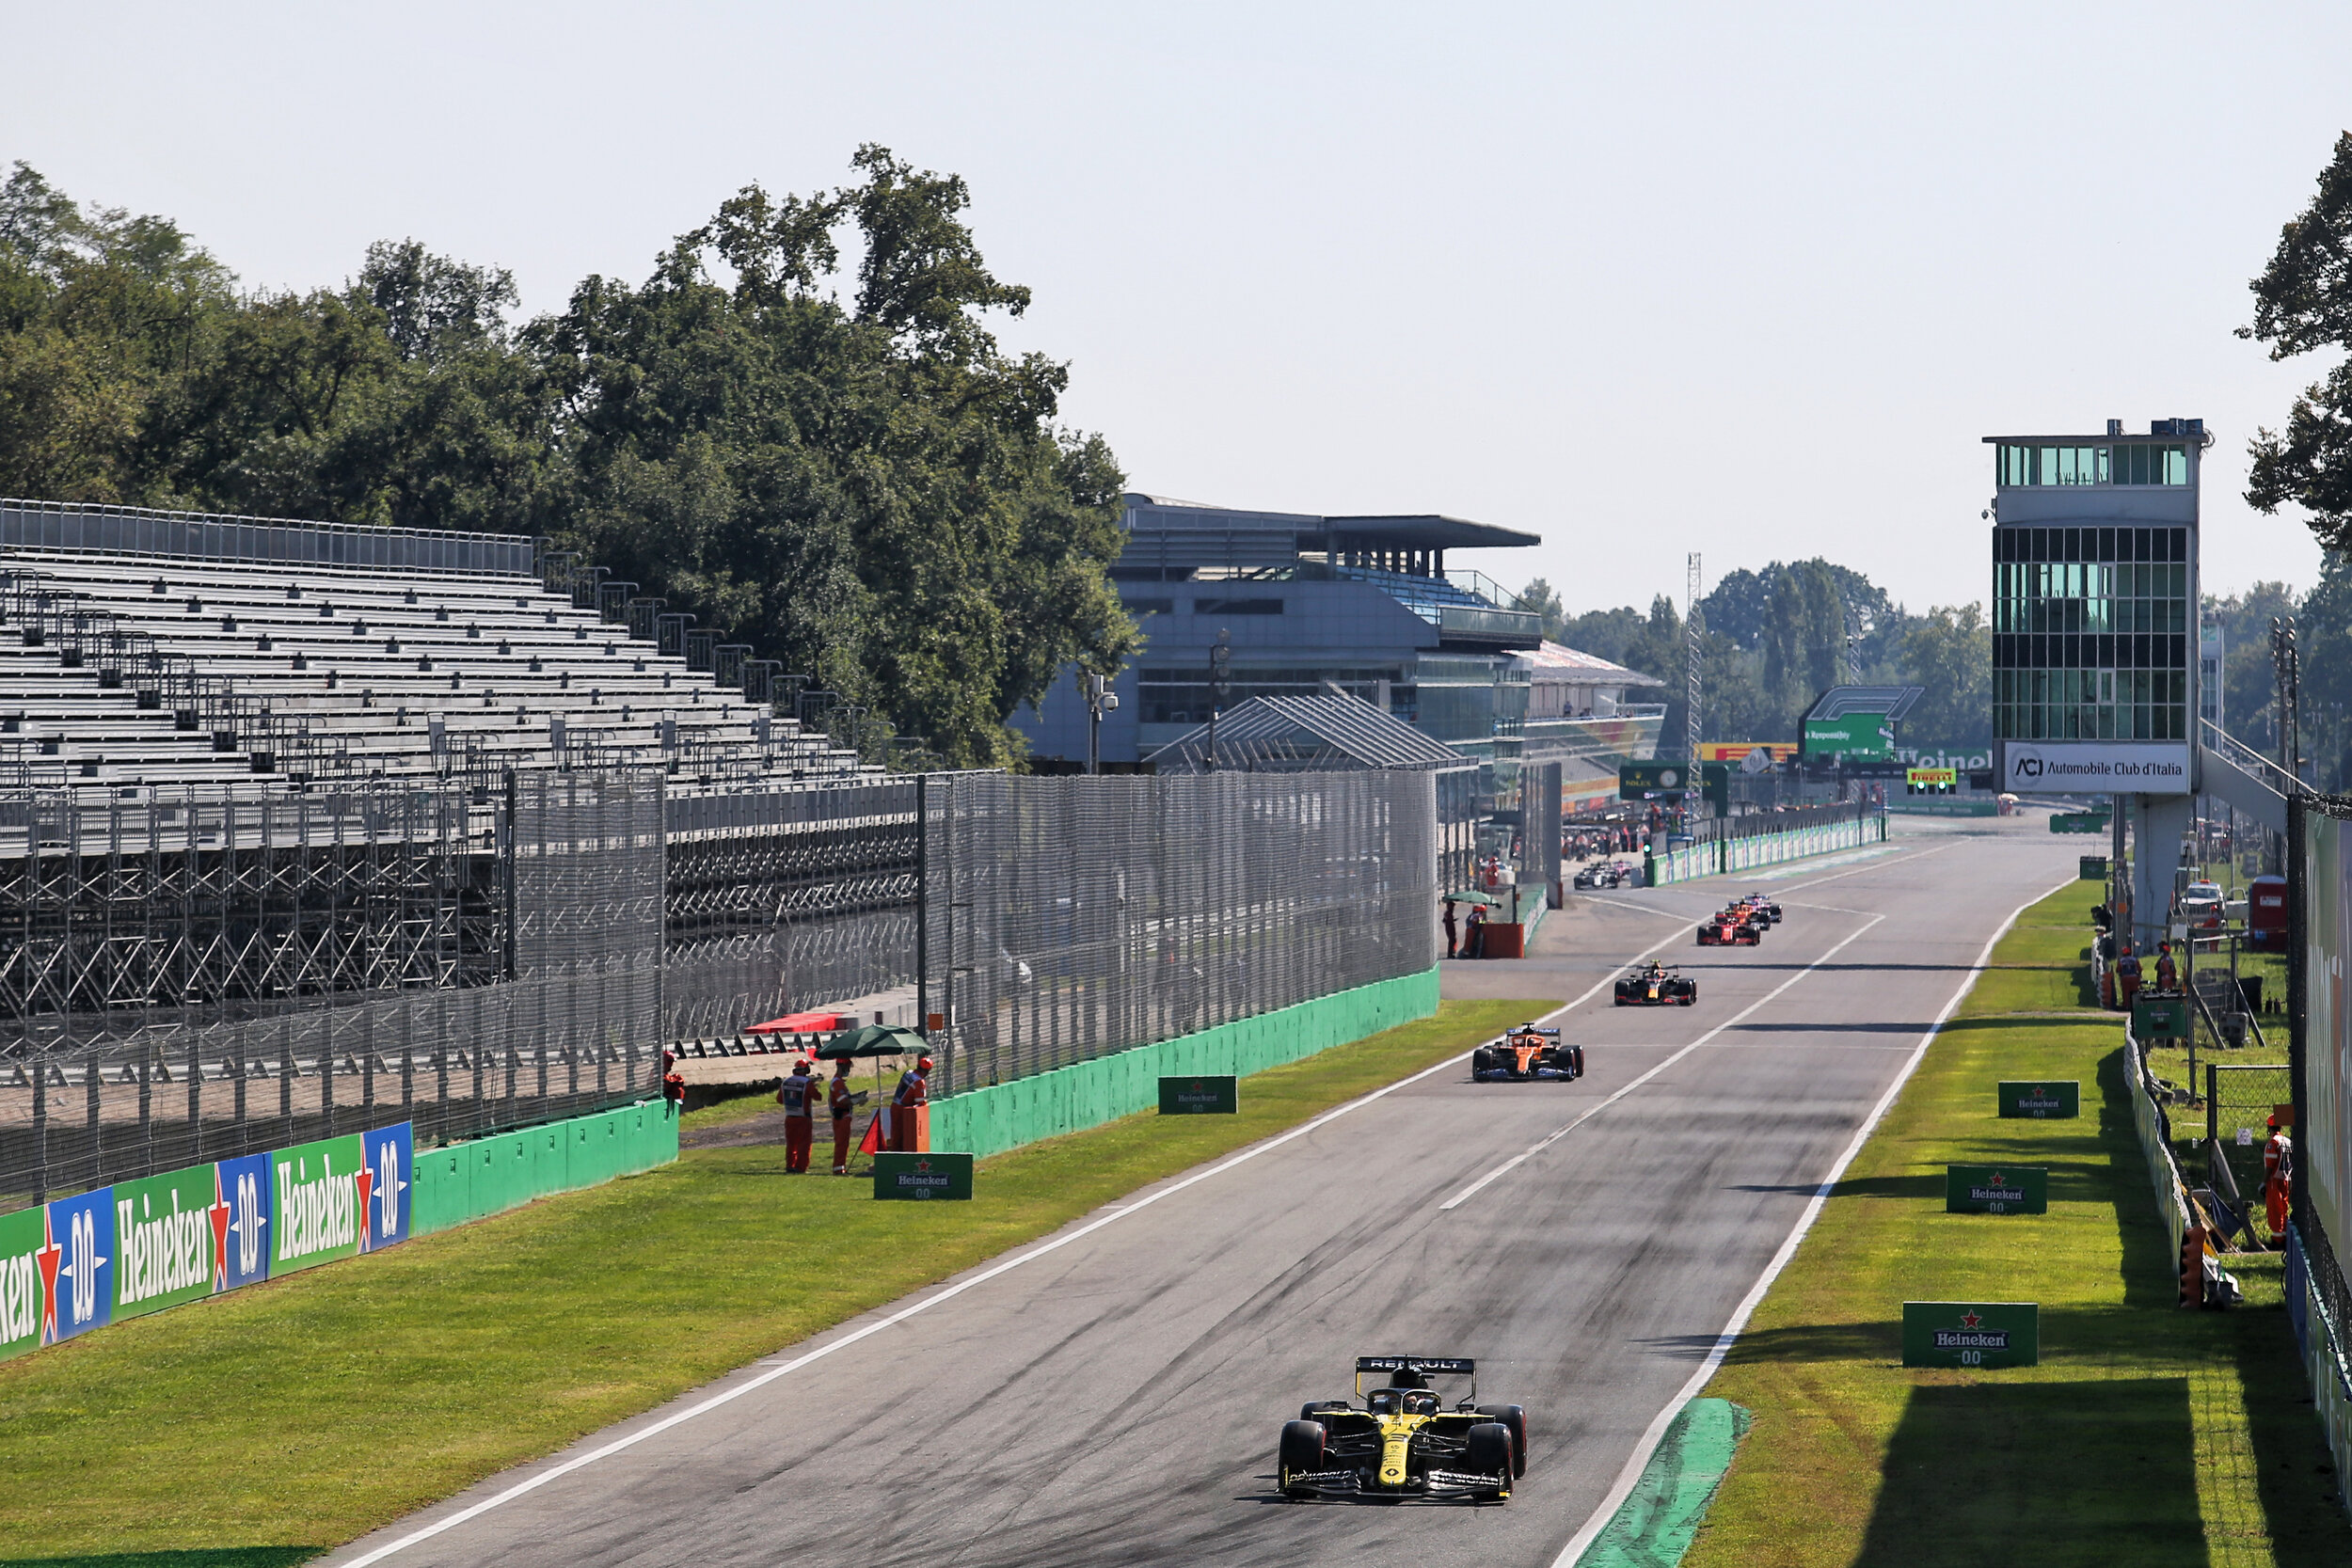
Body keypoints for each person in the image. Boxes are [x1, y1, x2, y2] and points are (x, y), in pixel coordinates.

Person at [776, 1058, 819, 1174]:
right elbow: (818, 1097)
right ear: (806, 1069)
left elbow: (780, 1100)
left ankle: (790, 1165)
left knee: (791, 1144)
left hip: (789, 1117)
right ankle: (801, 1167)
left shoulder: (786, 1082)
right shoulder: (806, 1083)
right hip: (803, 1117)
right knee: (804, 1144)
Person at [886, 1053, 932, 1151]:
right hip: (903, 1109)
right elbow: (920, 1102)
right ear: (927, 1071)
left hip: (894, 1105)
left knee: (895, 1134)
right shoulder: (919, 1082)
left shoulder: (908, 1072)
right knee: (903, 1136)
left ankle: (894, 1153)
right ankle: (899, 1156)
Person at [828, 1057, 866, 1175]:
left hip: (843, 1115)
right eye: (848, 1067)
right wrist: (858, 1100)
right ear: (842, 1067)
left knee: (843, 1143)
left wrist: (857, 1097)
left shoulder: (838, 1082)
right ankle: (839, 1168)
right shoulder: (837, 1083)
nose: (849, 1070)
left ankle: (840, 1167)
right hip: (842, 1116)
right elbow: (843, 1101)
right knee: (842, 1143)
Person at [2265, 1115, 2295, 1243]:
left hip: (2274, 1180)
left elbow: (2270, 1164)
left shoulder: (2273, 1142)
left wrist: (2263, 1182)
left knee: (2274, 1209)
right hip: (2286, 1177)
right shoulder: (2287, 1141)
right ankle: (2284, 1234)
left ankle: (2278, 1238)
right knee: (2284, 1207)